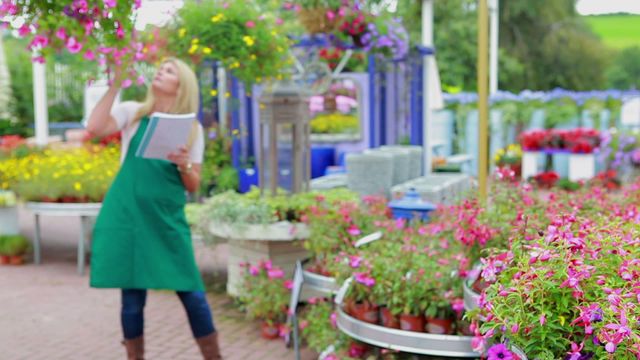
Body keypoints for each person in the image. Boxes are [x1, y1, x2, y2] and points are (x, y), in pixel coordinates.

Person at [86, 58, 222, 360]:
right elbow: (94, 127)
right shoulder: (134, 114)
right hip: (129, 217)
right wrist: (115, 84)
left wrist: (183, 163)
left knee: (193, 294)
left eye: (170, 70)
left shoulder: (192, 129)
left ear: (182, 84)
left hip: (165, 220)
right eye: (160, 68)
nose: (161, 71)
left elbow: (193, 184)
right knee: (132, 301)